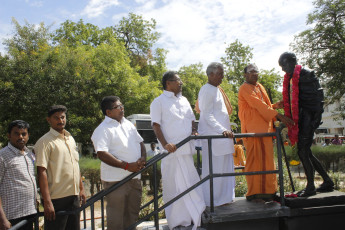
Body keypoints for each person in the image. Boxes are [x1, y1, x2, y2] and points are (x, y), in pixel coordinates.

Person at [150, 71, 205, 230]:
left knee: (190, 184)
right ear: (168, 83)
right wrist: (165, 144)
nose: (181, 83)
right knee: (173, 187)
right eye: (178, 80)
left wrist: (194, 131)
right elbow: (156, 125)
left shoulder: (184, 100)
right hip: (171, 153)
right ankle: (177, 222)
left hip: (186, 150)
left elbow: (192, 119)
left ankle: (193, 216)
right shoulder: (158, 102)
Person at [279, 52, 334, 196]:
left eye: (284, 65)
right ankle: (328, 181)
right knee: (306, 152)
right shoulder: (290, 79)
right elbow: (293, 100)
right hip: (301, 119)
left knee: (303, 151)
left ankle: (310, 187)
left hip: (309, 118)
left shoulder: (307, 74)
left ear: (293, 61)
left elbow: (318, 99)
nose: (283, 69)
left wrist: (315, 121)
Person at [238, 64, 294, 202]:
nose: (254, 74)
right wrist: (279, 116)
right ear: (245, 75)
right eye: (251, 72)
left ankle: (269, 192)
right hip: (253, 131)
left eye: (256, 71)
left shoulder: (260, 86)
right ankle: (254, 193)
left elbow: (265, 107)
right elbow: (257, 105)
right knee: (254, 161)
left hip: (266, 130)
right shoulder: (244, 88)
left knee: (268, 162)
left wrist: (275, 106)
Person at [91, 96, 146, 230]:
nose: (122, 109)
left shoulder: (127, 123)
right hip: (116, 181)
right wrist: (127, 166)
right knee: (116, 220)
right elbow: (102, 154)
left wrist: (143, 158)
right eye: (118, 107)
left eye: (122, 106)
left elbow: (140, 142)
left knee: (132, 216)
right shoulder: (102, 129)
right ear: (108, 112)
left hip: (134, 178)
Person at [35, 105, 86, 230]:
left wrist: (81, 189)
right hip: (57, 198)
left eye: (62, 117)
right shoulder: (44, 142)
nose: (60, 120)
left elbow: (75, 165)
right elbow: (41, 172)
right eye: (56, 118)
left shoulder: (70, 138)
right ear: (49, 120)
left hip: (73, 196)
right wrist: (47, 202)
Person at [198, 62, 235, 207]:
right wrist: (222, 130)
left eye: (222, 73)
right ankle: (212, 201)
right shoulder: (207, 90)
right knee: (215, 170)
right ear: (211, 74)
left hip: (222, 136)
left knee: (224, 168)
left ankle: (223, 199)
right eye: (220, 74)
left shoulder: (216, 89)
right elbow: (206, 115)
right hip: (214, 136)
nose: (222, 77)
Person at [0, 120, 37, 230]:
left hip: (29, 212)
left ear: (28, 135)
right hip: (12, 216)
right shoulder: (3, 156)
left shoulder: (29, 155)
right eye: (16, 134)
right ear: (9, 136)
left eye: (24, 134)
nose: (21, 137)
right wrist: (2, 219)